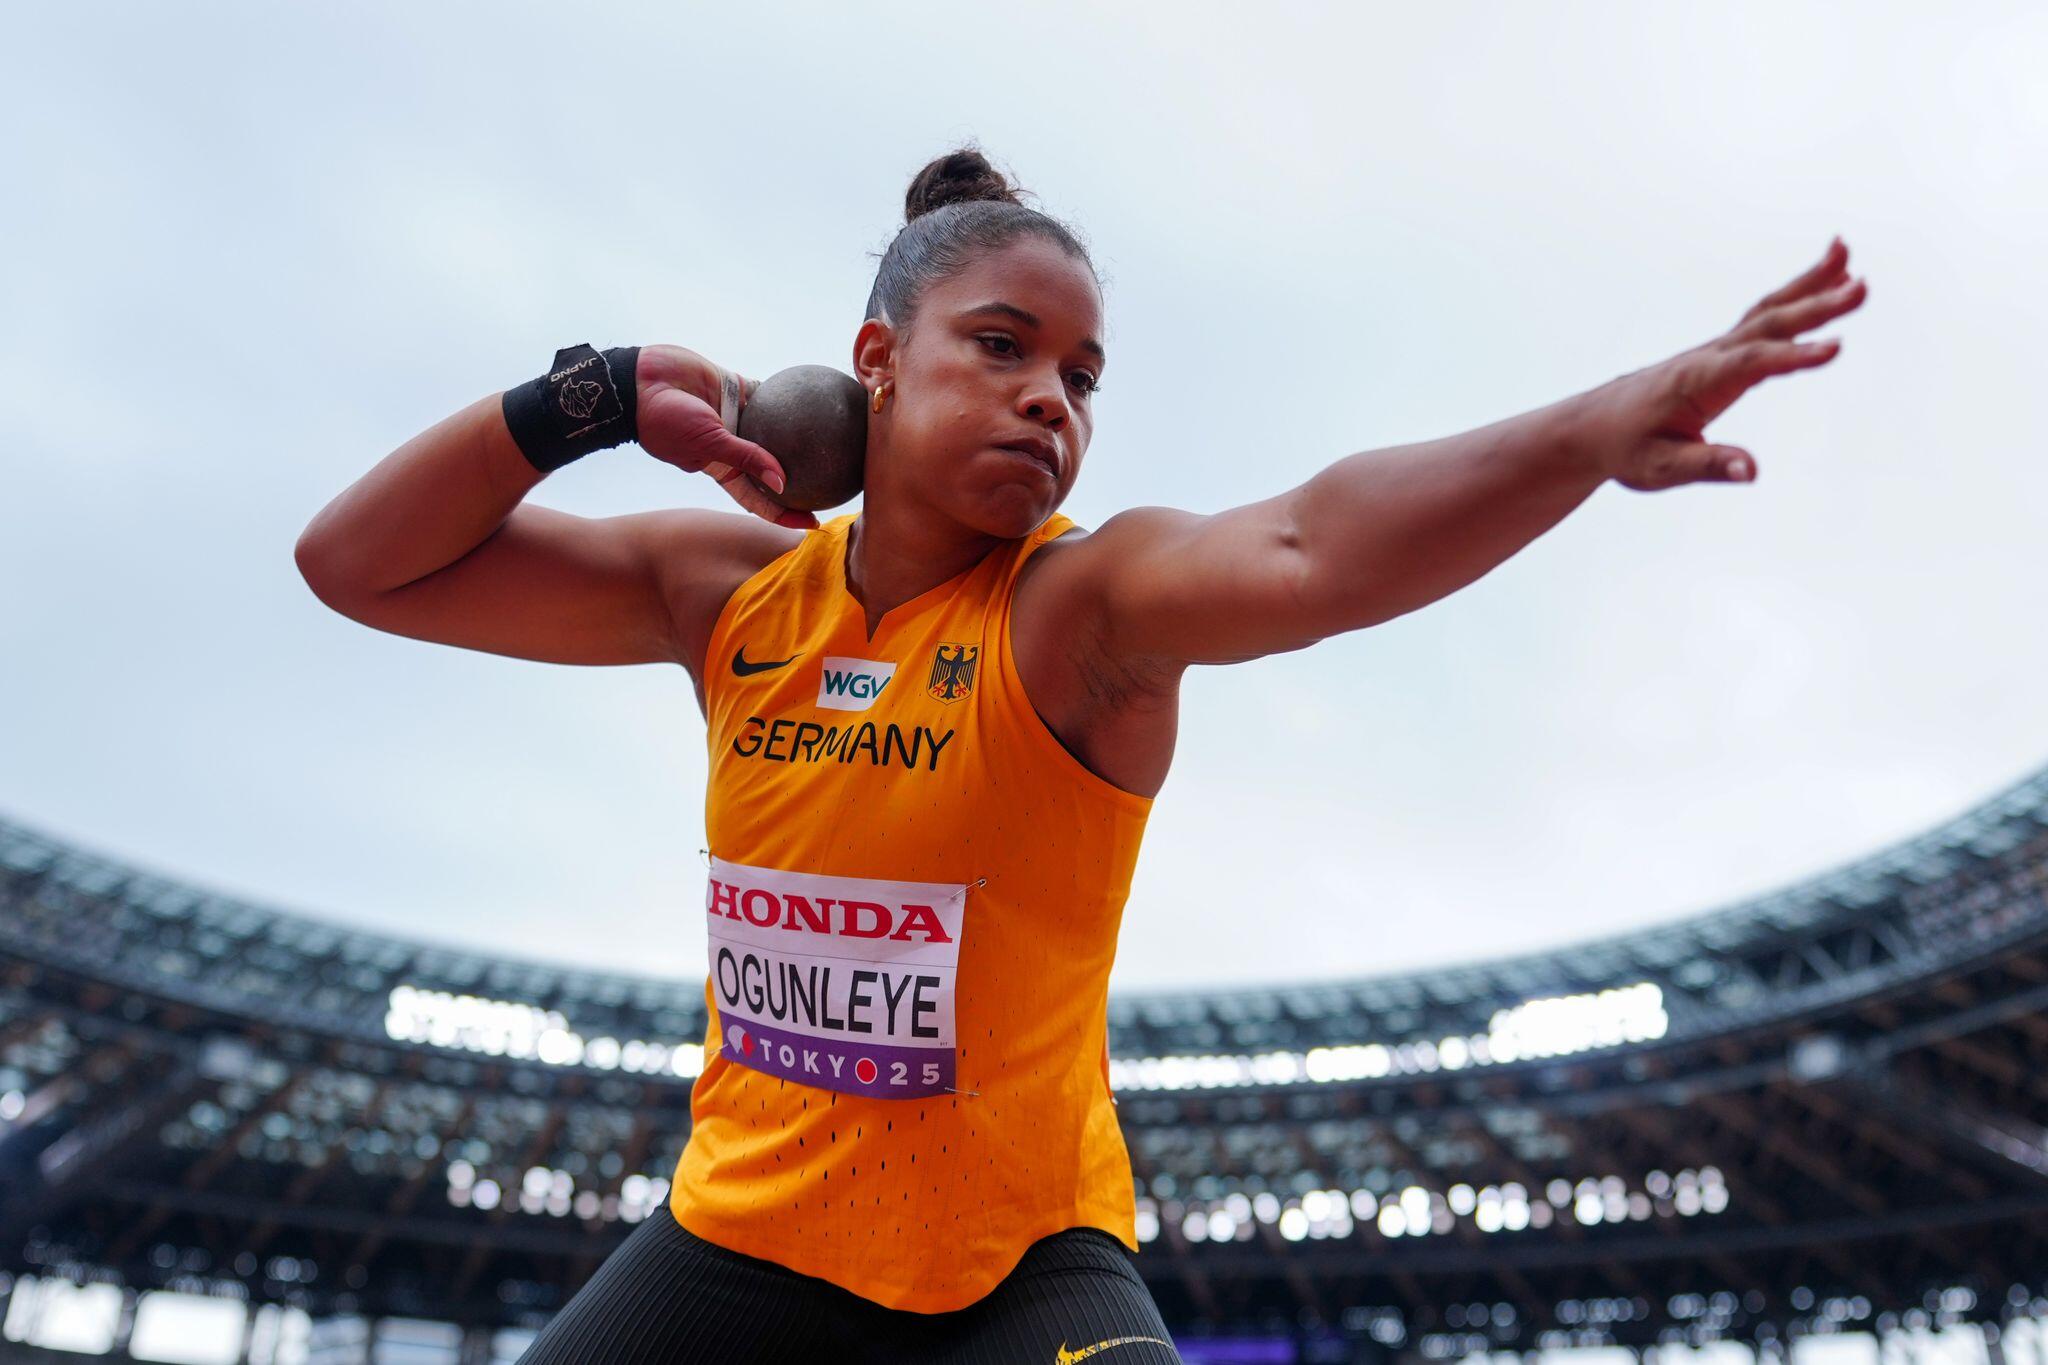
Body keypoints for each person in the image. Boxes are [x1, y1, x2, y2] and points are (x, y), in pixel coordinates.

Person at [294, 145, 1866, 1363]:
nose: (1049, 398)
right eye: (1002, 346)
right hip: (740, 1241)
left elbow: (1315, 544)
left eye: (1082, 376)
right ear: (878, 357)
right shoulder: (726, 595)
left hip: (1016, 1273)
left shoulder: (1077, 614)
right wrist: (583, 399)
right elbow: (356, 565)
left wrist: (1587, 432)